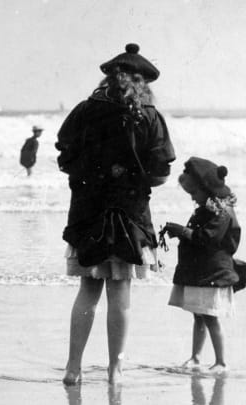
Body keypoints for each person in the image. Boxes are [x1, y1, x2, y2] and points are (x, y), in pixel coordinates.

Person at [55, 43, 176, 384]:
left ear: (108, 78)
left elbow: (65, 156)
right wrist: (131, 177)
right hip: (130, 213)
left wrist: (93, 177)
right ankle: (115, 371)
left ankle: (73, 367)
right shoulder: (150, 116)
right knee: (120, 295)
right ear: (143, 82)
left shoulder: (84, 110)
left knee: (88, 290)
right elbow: (162, 170)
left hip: (88, 209)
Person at [163, 157, 240, 375]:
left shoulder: (222, 212)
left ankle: (221, 361)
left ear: (208, 190)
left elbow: (207, 238)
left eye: (194, 193)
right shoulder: (208, 207)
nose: (193, 199)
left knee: (210, 317)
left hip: (212, 272)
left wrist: (182, 231)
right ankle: (196, 357)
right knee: (199, 315)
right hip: (202, 270)